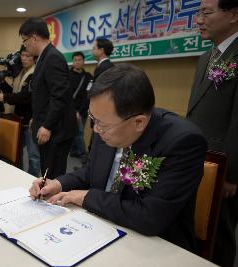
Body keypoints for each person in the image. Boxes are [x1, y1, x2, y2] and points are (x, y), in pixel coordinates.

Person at [30, 64, 207, 252]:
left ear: (138, 122)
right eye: (93, 118)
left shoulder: (182, 142)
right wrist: (58, 183)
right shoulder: (106, 121)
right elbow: (91, 172)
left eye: (101, 124)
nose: (96, 129)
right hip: (97, 226)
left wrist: (86, 196)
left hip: (152, 247)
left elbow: (149, 217)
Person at [186, 0, 238, 265]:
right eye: (198, 13)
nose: (198, 20)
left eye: (206, 13)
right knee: (196, 228)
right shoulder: (208, 55)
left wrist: (232, 173)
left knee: (219, 234)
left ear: (233, 15)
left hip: (222, 167)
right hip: (197, 157)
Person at [19, 17, 78, 178]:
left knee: (52, 174)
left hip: (56, 130)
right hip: (48, 125)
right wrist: (36, 118)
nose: (25, 45)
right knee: (47, 170)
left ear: (34, 38)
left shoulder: (52, 57)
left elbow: (60, 96)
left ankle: (53, 203)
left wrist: (47, 126)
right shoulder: (44, 57)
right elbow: (43, 94)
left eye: (25, 40)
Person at [0, 45, 41, 177]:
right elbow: (14, 93)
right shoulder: (20, 73)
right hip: (17, 120)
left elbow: (25, 97)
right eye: (22, 56)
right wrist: (1, 82)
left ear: (34, 58)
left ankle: (36, 184)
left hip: (30, 121)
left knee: (33, 157)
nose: (24, 59)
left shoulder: (35, 74)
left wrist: (4, 97)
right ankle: (19, 178)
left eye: (28, 56)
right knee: (15, 154)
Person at [68, 51, 93, 161]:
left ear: (83, 61)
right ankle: (83, 155)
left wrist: (80, 112)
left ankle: (75, 152)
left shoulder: (88, 77)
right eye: (75, 60)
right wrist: (73, 111)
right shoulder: (67, 76)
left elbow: (89, 96)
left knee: (78, 132)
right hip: (70, 110)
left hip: (83, 111)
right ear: (72, 62)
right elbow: (66, 95)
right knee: (77, 132)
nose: (77, 62)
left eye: (80, 60)